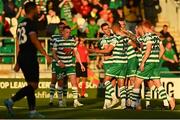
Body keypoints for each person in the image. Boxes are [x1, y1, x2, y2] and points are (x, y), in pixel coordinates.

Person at [4, 2, 51, 118]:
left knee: (30, 84)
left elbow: (18, 43)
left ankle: (32, 111)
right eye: (37, 8)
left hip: (22, 56)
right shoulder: (30, 23)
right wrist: (45, 54)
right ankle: (11, 100)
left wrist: (18, 61)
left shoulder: (20, 24)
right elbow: (34, 40)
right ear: (33, 9)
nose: (38, 10)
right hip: (30, 56)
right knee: (34, 85)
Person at [131, 20, 175, 110]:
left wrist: (143, 63)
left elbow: (148, 50)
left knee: (137, 83)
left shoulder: (148, 37)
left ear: (144, 27)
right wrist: (156, 59)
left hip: (148, 63)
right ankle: (168, 101)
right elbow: (162, 50)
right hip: (154, 63)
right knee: (158, 84)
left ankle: (133, 105)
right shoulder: (156, 37)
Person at [52, 25, 85, 108]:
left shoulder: (72, 41)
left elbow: (76, 53)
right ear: (62, 32)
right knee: (60, 83)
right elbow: (53, 53)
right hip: (60, 65)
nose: (68, 34)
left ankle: (76, 101)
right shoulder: (57, 41)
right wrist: (59, 61)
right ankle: (60, 101)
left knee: (74, 82)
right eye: (66, 32)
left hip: (69, 65)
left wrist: (81, 64)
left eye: (69, 32)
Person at [89, 23, 120, 109]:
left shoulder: (114, 37)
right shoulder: (103, 39)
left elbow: (107, 50)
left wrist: (93, 50)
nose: (108, 30)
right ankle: (107, 103)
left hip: (114, 61)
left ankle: (112, 99)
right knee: (110, 83)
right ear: (103, 30)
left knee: (110, 82)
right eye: (105, 29)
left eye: (108, 28)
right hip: (107, 63)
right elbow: (107, 51)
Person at [49, 22, 68, 107]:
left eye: (63, 27)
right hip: (55, 61)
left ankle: (64, 100)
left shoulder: (68, 37)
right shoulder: (54, 37)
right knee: (54, 79)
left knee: (64, 81)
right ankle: (51, 100)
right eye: (60, 27)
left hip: (65, 61)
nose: (61, 29)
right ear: (58, 28)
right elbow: (52, 50)